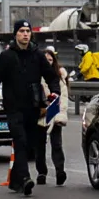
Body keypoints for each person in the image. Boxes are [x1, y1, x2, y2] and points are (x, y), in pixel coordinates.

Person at [0, 20, 61, 197]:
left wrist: (55, 92)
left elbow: (51, 76)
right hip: (14, 107)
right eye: (21, 31)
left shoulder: (37, 55)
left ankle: (15, 181)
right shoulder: (7, 56)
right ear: (15, 34)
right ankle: (26, 178)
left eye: (28, 31)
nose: (25, 34)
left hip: (33, 107)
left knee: (28, 144)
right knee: (20, 140)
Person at [35, 46, 69, 186]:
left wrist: (61, 115)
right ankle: (41, 172)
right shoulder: (35, 75)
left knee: (57, 144)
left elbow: (64, 98)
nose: (48, 62)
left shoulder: (59, 76)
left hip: (55, 114)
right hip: (40, 114)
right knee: (39, 146)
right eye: (45, 59)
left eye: (50, 60)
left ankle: (60, 171)